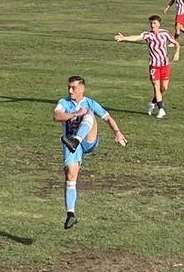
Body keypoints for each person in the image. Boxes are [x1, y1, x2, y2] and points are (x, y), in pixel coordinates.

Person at [54, 76, 128, 229]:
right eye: (69, 87)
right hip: (70, 144)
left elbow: (107, 118)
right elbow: (57, 116)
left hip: (88, 141)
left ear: (82, 89)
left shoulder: (90, 103)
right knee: (70, 175)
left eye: (73, 88)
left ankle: (76, 140)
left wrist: (117, 132)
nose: (70, 91)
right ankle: (71, 214)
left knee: (89, 113)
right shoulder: (63, 102)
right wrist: (75, 114)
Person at [115, 15, 180, 119]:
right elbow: (136, 37)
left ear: (159, 24)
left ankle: (153, 102)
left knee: (164, 88)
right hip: (154, 65)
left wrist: (177, 53)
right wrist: (124, 38)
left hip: (165, 64)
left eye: (154, 23)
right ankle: (161, 109)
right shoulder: (148, 35)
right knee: (156, 87)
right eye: (151, 23)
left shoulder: (165, 33)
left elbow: (176, 43)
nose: (152, 25)